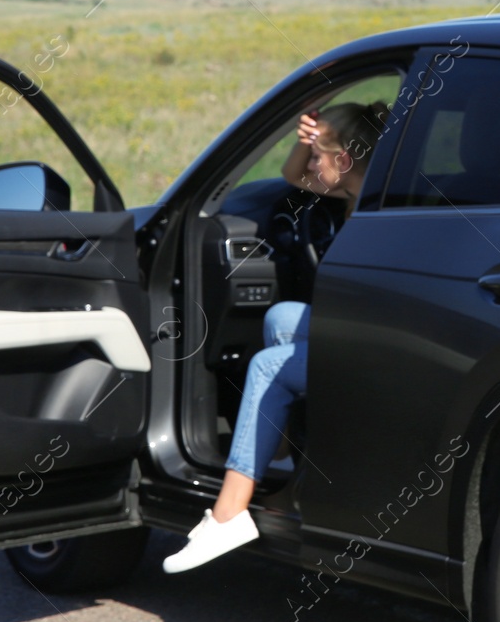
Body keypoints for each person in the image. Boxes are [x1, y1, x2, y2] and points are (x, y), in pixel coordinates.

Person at [162, 99, 389, 573]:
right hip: (360, 332)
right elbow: (293, 176)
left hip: (378, 348)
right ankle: (288, 473)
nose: (309, 165)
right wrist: (304, 138)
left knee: (268, 367)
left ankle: (229, 514)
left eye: (318, 156)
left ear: (343, 160)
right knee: (280, 318)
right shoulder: (356, 192)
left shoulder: (372, 212)